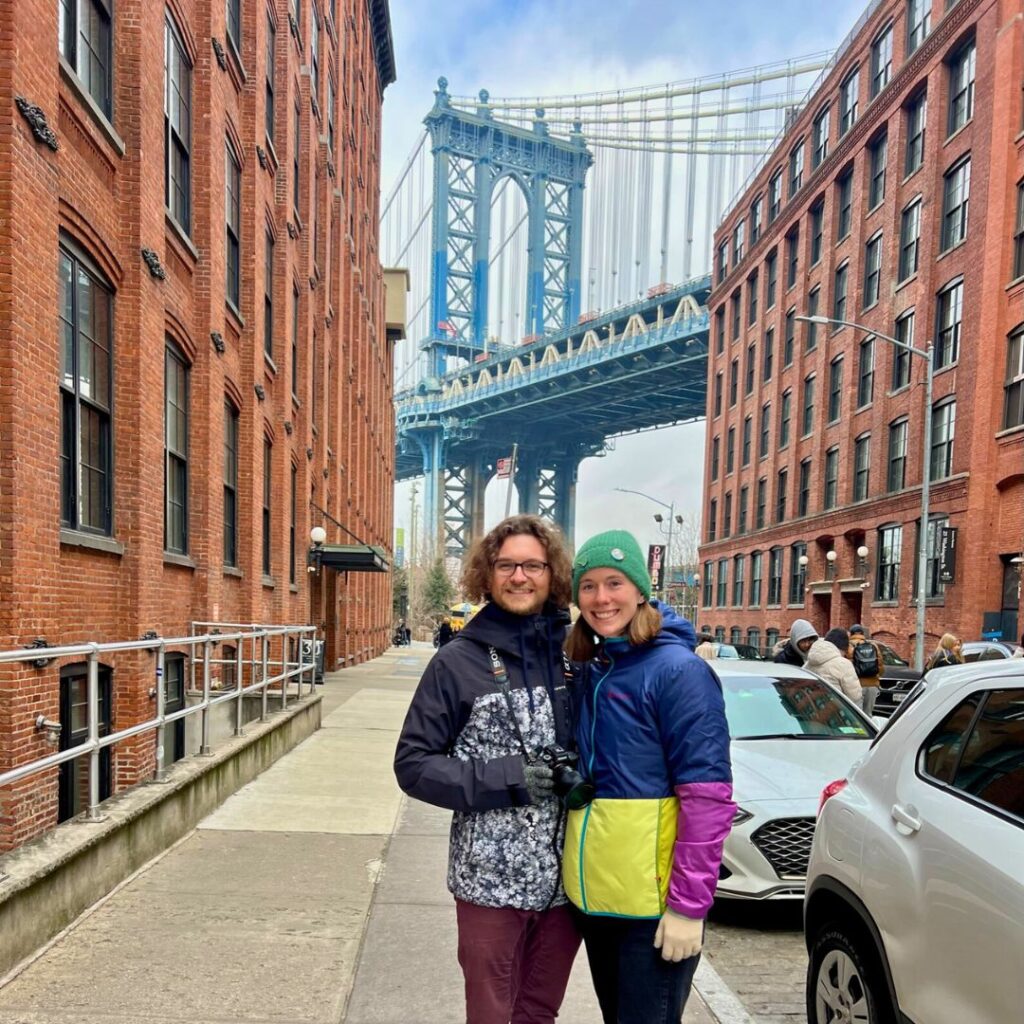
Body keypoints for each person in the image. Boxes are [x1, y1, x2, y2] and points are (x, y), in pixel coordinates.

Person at [394, 514, 581, 1024]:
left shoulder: (576, 655)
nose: (519, 576)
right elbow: (412, 765)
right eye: (506, 565)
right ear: (487, 574)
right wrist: (507, 778)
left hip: (567, 883)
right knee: (492, 1014)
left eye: (533, 565)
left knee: (539, 1012)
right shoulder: (457, 662)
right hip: (488, 883)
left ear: (553, 574)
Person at [562, 530, 735, 1024]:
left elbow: (708, 797)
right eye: (588, 586)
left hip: (652, 907)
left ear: (640, 589)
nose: (601, 598)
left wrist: (688, 907)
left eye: (614, 582)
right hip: (600, 898)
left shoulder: (678, 671)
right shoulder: (596, 665)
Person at [805, 627, 863, 705]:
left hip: (811, 709)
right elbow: (855, 696)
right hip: (836, 712)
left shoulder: (808, 661)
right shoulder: (843, 664)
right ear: (844, 647)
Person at [849, 624, 883, 715]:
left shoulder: (848, 646)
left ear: (850, 634)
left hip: (855, 685)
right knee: (868, 715)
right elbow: (880, 665)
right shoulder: (873, 645)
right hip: (872, 684)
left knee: (856, 715)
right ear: (863, 633)